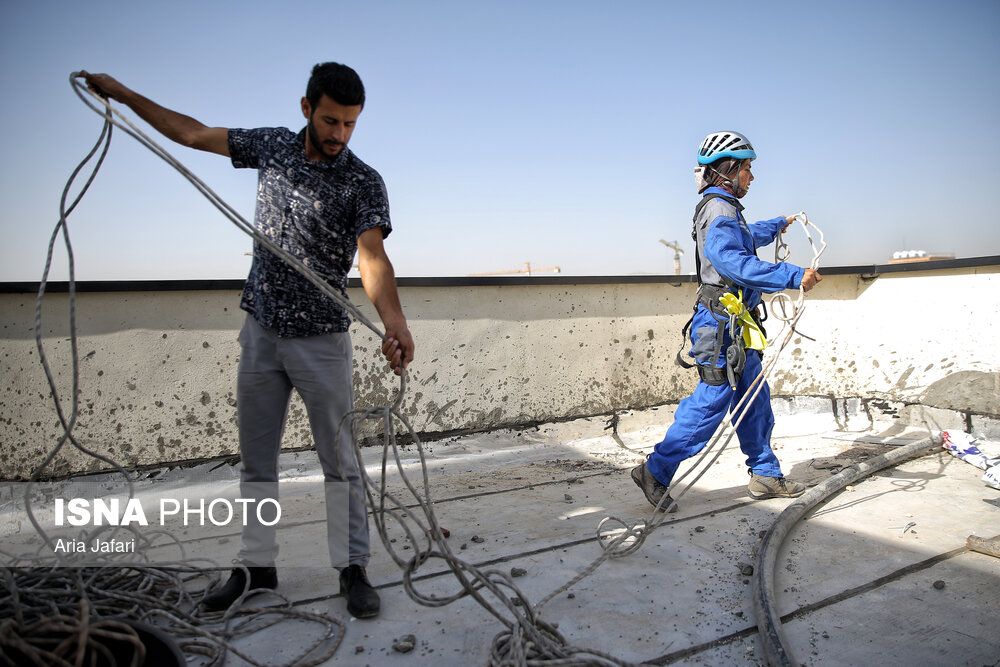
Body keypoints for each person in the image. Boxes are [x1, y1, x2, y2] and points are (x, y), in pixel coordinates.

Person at [81, 63, 415, 619]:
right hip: (261, 333)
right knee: (257, 464)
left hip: (321, 342)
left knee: (341, 463)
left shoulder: (363, 180)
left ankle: (352, 568)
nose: (339, 135)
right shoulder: (272, 147)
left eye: (350, 125)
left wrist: (396, 321)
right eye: (331, 120)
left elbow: (372, 257)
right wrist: (119, 92)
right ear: (306, 108)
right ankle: (258, 568)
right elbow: (190, 133)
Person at [632, 130, 821, 510]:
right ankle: (655, 470)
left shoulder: (725, 208)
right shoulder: (719, 210)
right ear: (728, 171)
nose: (752, 176)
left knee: (754, 400)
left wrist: (775, 225)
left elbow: (743, 239)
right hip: (720, 330)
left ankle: (765, 475)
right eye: (747, 168)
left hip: (738, 326)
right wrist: (791, 274)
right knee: (711, 403)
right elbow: (731, 260)